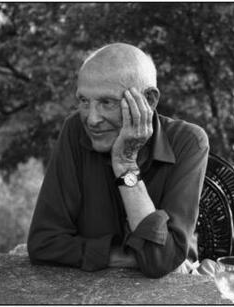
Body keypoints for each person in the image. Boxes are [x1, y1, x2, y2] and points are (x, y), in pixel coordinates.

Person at [27, 43, 210, 278]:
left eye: (107, 103)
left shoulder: (189, 141)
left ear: (150, 100)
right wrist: (135, 258)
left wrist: (125, 165)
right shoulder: (75, 130)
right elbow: (44, 244)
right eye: (84, 101)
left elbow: (161, 258)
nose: (92, 119)